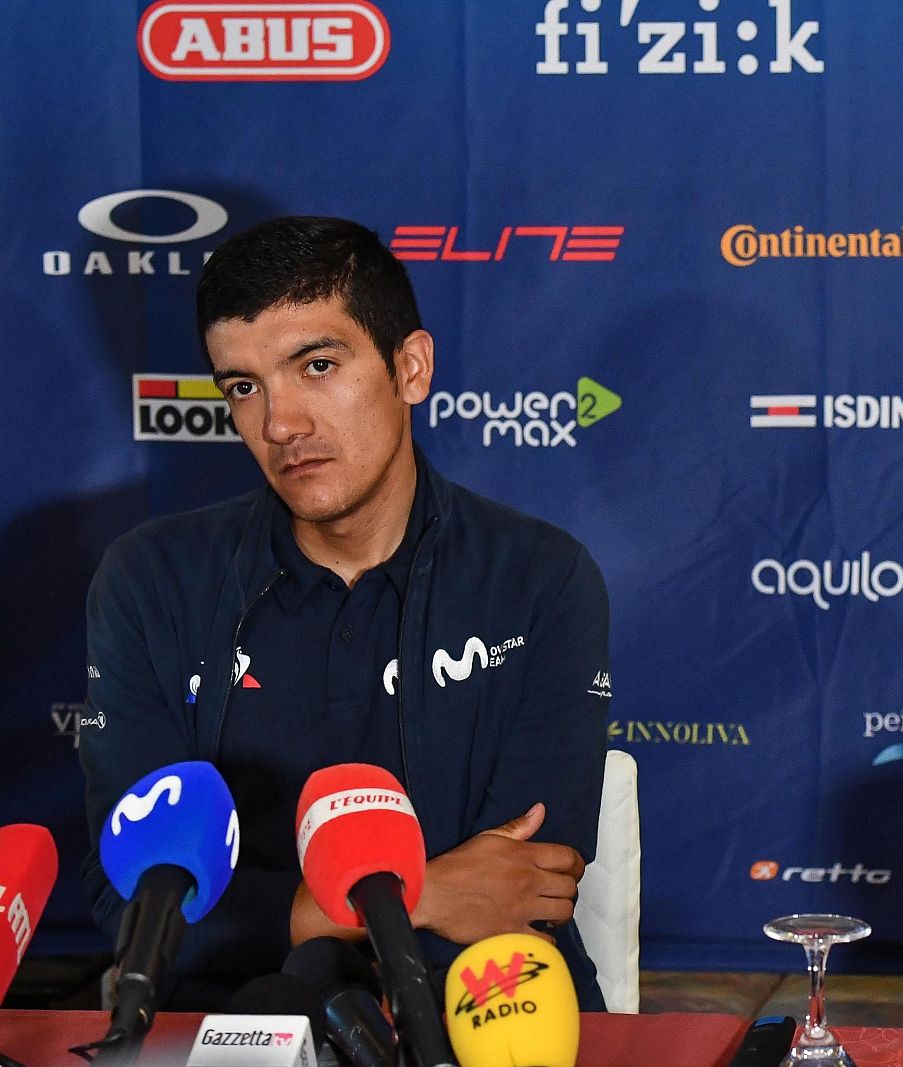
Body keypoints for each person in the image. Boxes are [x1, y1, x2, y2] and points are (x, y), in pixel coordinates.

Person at [79, 216, 611, 1010]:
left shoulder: (539, 575)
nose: (280, 424)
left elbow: (518, 892)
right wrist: (421, 898)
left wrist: (266, 912)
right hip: (233, 1021)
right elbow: (132, 899)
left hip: (487, 1013)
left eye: (317, 365)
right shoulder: (151, 580)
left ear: (411, 367)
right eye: (244, 386)